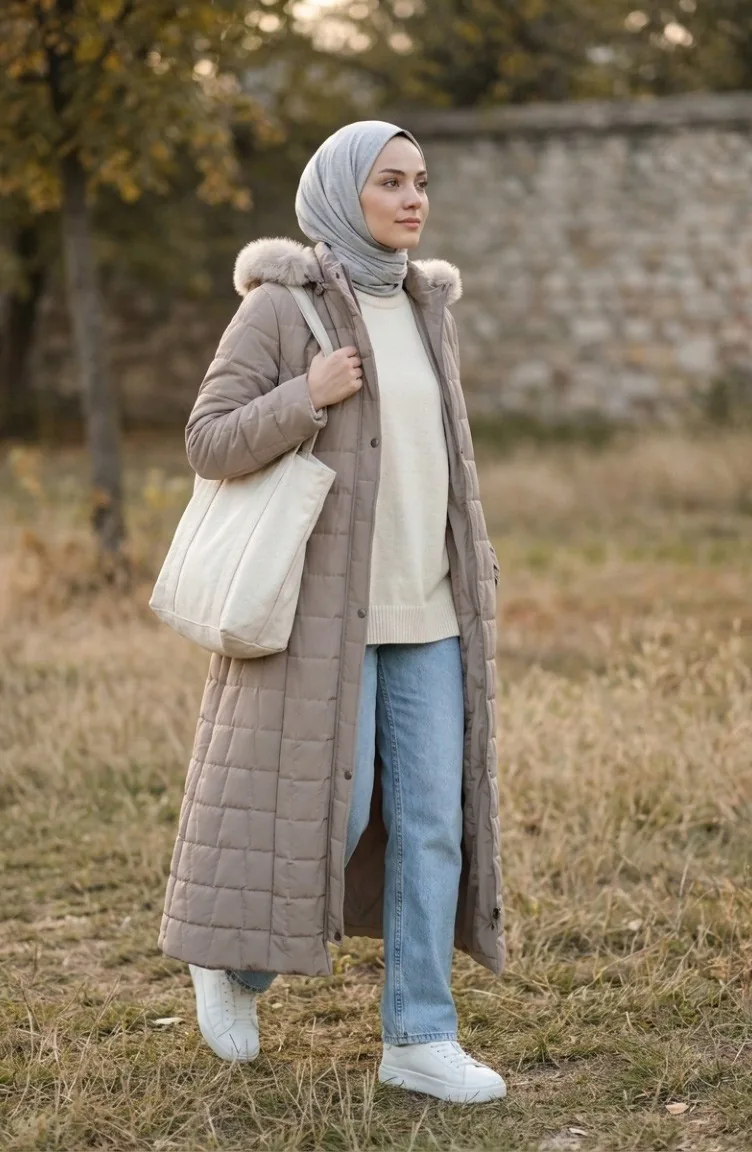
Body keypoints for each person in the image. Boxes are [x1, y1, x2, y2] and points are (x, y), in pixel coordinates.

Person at [159, 120, 506, 1105]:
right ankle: (235, 962)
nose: (412, 198)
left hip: (430, 612)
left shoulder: (426, 305)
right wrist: (303, 397)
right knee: (333, 814)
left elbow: (439, 463)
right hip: (323, 617)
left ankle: (419, 1037)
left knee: (433, 824)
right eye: (389, 181)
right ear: (339, 192)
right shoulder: (281, 306)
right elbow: (207, 440)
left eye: (420, 181)